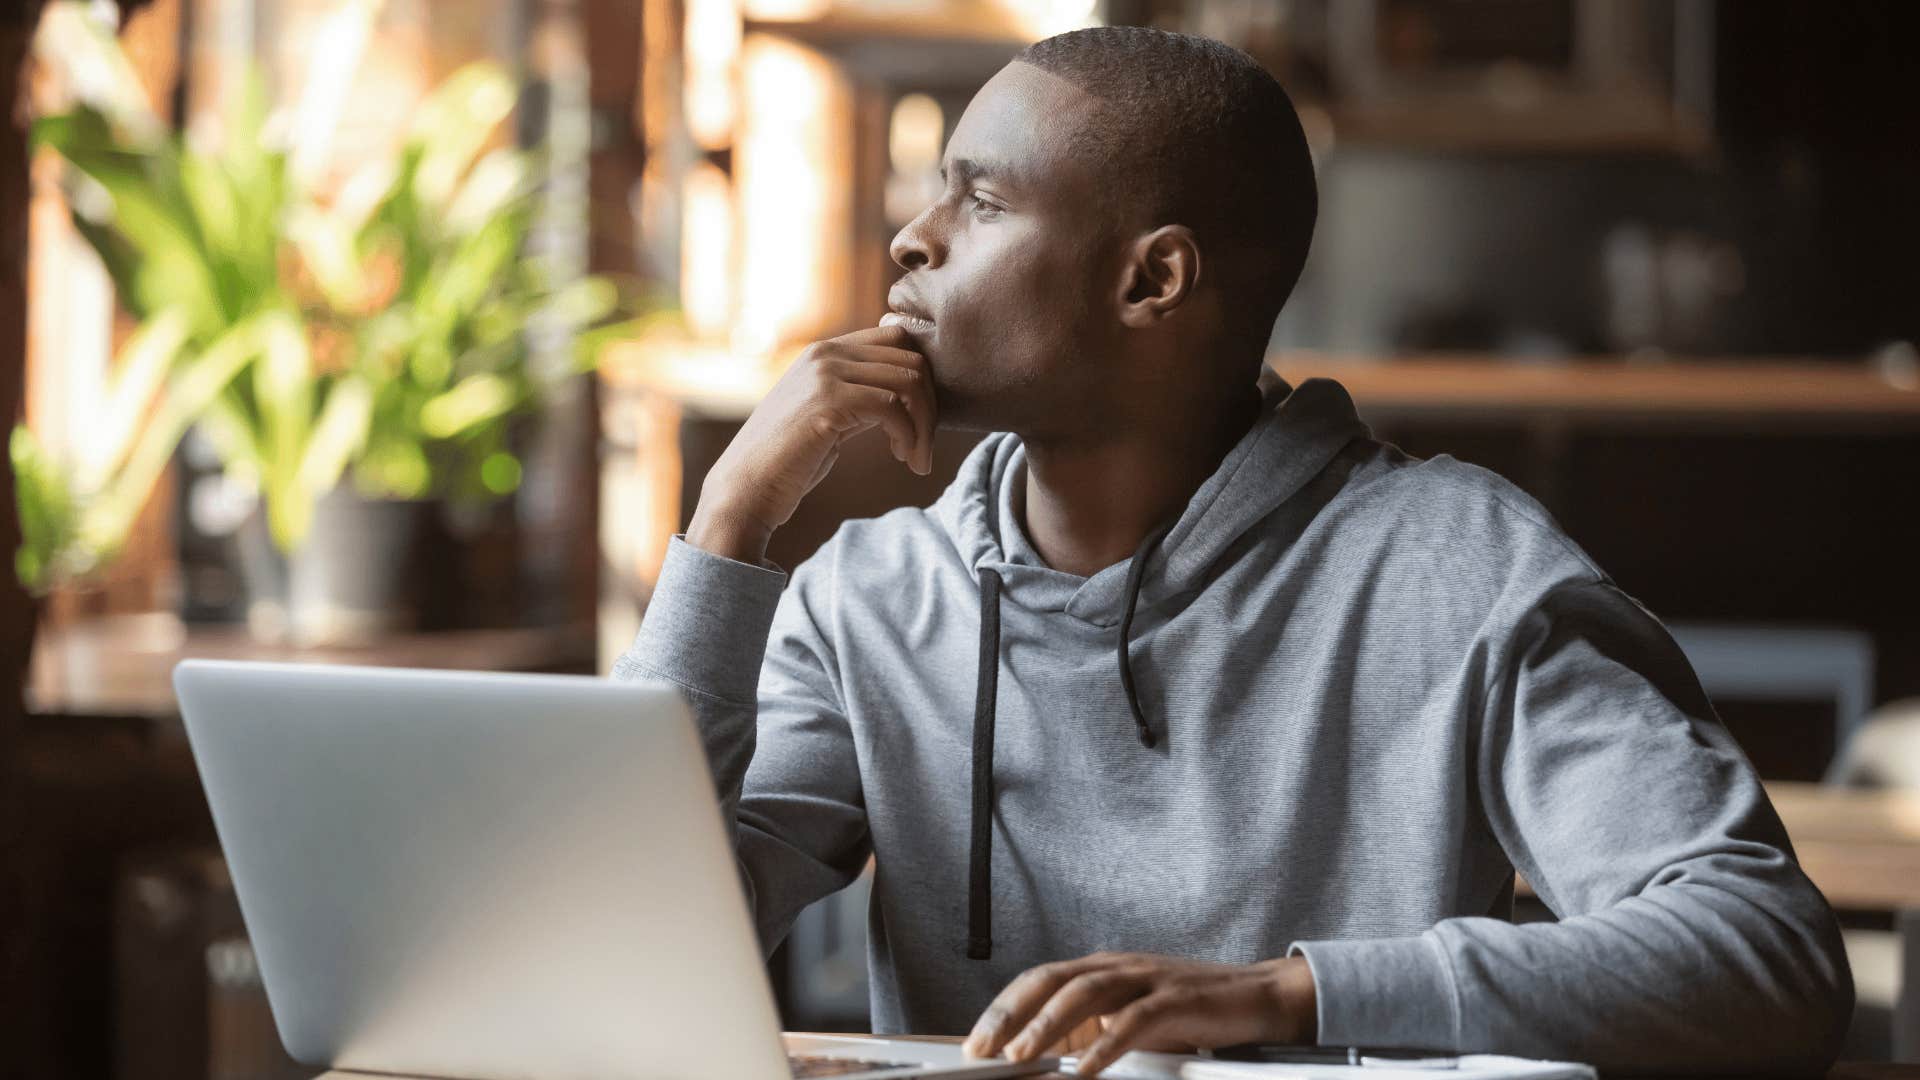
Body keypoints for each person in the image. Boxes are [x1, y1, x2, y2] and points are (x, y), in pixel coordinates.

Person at [613, 26, 1852, 1077]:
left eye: (981, 200)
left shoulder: (1457, 569)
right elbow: (623, 941)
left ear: (1155, 281)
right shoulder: (869, 602)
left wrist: (1287, 996)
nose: (913, 239)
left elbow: (1766, 949)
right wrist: (729, 522)